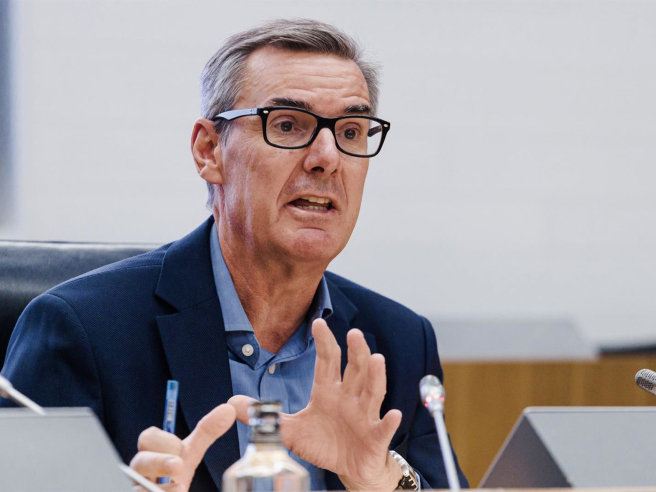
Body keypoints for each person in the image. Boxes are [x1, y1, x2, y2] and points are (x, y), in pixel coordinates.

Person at [1, 19, 468, 491]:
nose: (327, 158)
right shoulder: (83, 332)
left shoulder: (399, 343)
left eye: (350, 132)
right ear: (209, 151)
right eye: (287, 125)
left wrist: (383, 480)